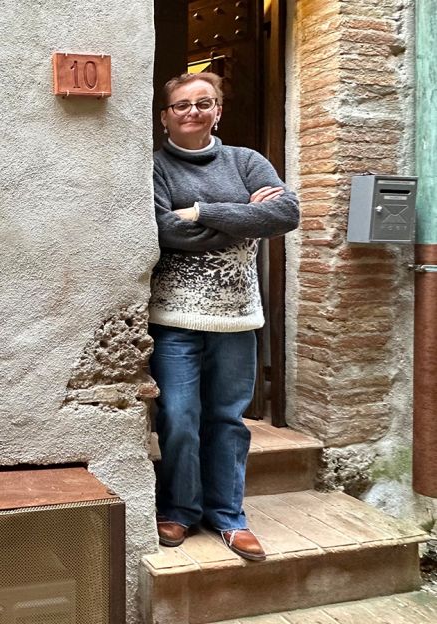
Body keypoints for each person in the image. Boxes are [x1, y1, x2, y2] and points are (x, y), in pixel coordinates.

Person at [149, 71, 299, 561]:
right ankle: (178, 509)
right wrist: (240, 215)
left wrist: (200, 212)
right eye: (182, 105)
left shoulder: (246, 161)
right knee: (178, 417)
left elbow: (286, 214)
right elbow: (164, 231)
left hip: (237, 318)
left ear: (218, 111)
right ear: (166, 115)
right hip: (175, 319)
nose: (193, 112)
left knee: (228, 420)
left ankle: (229, 516)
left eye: (204, 103)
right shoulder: (156, 168)